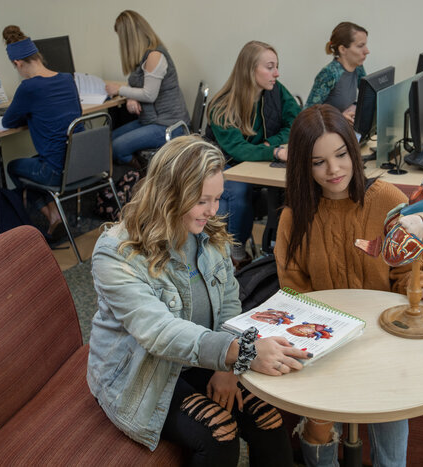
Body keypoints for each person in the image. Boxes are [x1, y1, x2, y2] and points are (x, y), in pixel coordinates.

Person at [87, 135, 311, 467]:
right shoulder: (116, 252)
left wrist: (230, 367)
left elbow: (229, 302)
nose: (213, 211)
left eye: (217, 198)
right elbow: (159, 333)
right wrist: (238, 353)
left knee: (270, 423)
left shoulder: (209, 233)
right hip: (143, 372)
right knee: (219, 436)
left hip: (201, 357)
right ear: (168, 194)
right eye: (203, 200)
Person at [274, 105, 423, 467]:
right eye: (318, 162)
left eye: (341, 155)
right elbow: (294, 291)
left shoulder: (387, 200)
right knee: (320, 425)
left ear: (353, 152)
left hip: (384, 338)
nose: (334, 170)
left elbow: (409, 269)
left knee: (391, 408)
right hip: (324, 342)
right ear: (303, 167)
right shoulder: (294, 217)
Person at [206, 40, 301, 266]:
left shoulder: (276, 91)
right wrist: (275, 152)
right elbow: (237, 149)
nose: (276, 73)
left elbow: (297, 121)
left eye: (276, 66)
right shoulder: (222, 105)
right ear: (250, 70)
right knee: (237, 191)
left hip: (256, 163)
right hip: (221, 165)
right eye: (269, 67)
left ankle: (229, 255)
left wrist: (271, 144)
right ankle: (235, 254)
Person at [1, 25, 82, 239]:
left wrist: (28, 114)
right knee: (34, 161)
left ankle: (51, 214)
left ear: (18, 63)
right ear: (37, 56)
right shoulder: (67, 79)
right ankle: (54, 214)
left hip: (55, 171)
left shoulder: (29, 88)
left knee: (13, 167)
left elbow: (8, 121)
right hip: (77, 163)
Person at [105, 10, 190, 166]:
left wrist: (119, 90)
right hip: (151, 121)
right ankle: (137, 172)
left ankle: (142, 173)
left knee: (116, 147)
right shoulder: (143, 56)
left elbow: (149, 94)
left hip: (168, 126)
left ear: (128, 37)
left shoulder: (155, 56)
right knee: (107, 140)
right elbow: (136, 84)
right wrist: (131, 97)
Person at [305, 22, 369, 123]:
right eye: (360, 46)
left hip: (346, 129)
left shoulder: (358, 67)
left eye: (365, 45)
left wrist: (355, 106)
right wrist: (339, 118)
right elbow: (308, 115)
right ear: (343, 49)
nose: (367, 51)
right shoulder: (329, 73)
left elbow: (367, 97)